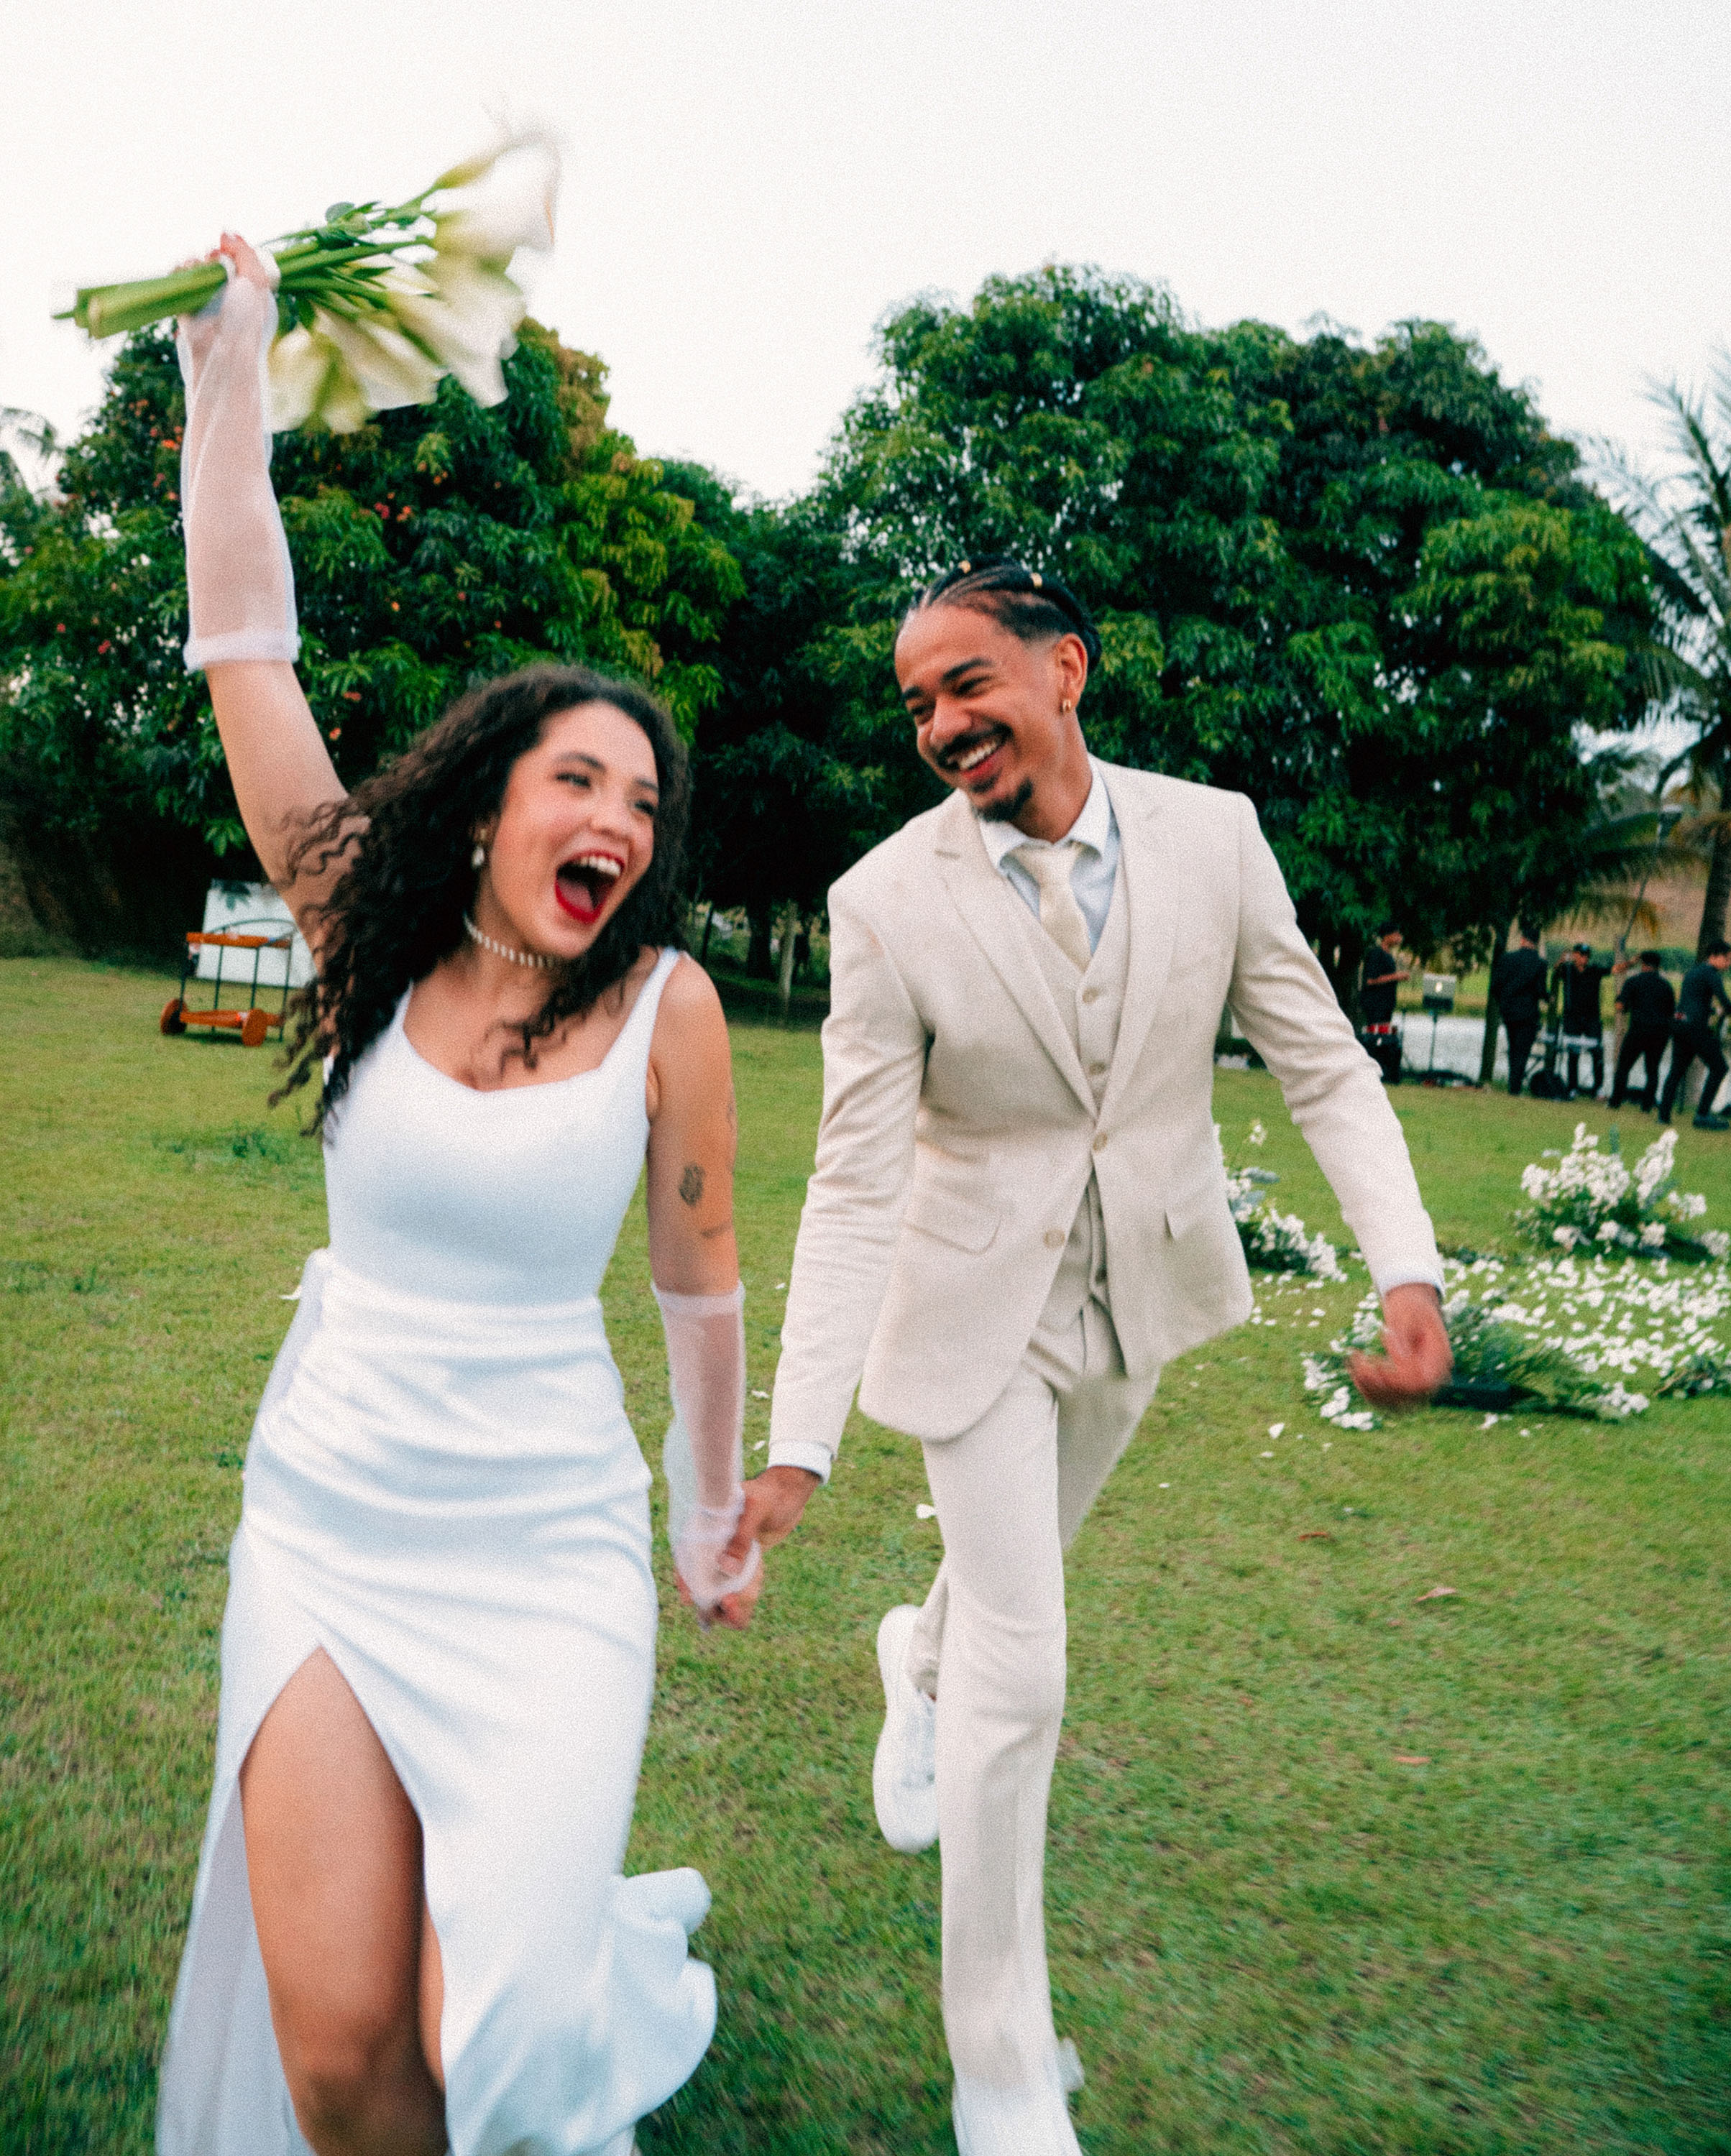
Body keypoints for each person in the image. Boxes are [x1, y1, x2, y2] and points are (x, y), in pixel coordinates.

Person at [156, 237, 763, 2156]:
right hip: (330, 1522)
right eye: (582, 780)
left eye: (646, 804)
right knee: (345, 2056)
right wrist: (231, 373)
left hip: (546, 1550)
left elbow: (699, 1278)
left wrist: (700, 1508)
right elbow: (250, 650)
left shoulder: (670, 1013)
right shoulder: (363, 927)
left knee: (489, 2038)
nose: (619, 821)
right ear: (492, 801)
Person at [736, 557, 1451, 2156]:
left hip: (1140, 1296)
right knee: (1030, 1667)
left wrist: (1402, 1261)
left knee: (1002, 1604)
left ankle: (911, 1663)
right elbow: (853, 1178)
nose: (938, 724)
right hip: (966, 1318)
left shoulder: (1217, 836)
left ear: (1066, 669)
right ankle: (998, 2067)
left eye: (964, 685)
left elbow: (1319, 1061)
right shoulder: (881, 901)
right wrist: (797, 1438)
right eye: (916, 702)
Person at [1658, 940, 1731, 1129]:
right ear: (1714, 956)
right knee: (1720, 1067)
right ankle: (1703, 1115)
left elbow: (1694, 1000)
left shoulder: (1694, 972)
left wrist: (1713, 1012)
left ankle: (1663, 1115)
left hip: (1680, 1023)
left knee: (1677, 1069)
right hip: (1696, 1027)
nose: (1728, 963)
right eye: (1727, 959)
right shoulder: (1711, 974)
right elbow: (1724, 1000)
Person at [1608, 952, 1676, 1111]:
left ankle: (1615, 1101)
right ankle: (1646, 1105)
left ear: (1643, 965)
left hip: (1638, 1031)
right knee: (1652, 1070)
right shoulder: (1666, 986)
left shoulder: (1633, 982)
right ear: (1658, 966)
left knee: (1624, 1066)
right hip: (1660, 1033)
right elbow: (1672, 1013)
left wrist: (1618, 998)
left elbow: (1620, 1007)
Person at [1489, 929, 1548, 1095]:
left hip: (1509, 1012)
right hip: (1528, 1013)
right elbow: (1540, 990)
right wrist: (1547, 997)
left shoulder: (1507, 959)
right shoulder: (1540, 964)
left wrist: (1503, 1002)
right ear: (1536, 943)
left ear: (1523, 940)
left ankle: (1513, 1084)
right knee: (1522, 1051)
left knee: (1513, 1047)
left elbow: (1495, 986)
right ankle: (1515, 1087)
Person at [1551, 941, 1612, 1097]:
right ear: (1575, 955)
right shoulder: (1568, 970)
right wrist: (1562, 960)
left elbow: (1614, 970)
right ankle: (1572, 1087)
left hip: (1592, 1017)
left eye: (1587, 956)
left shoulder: (1594, 970)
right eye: (1581, 955)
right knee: (1573, 1053)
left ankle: (1598, 1087)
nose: (1584, 958)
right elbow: (1555, 972)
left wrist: (1630, 963)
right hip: (1572, 1017)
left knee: (1597, 1052)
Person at [1358, 924, 1408, 1084]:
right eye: (1396, 934)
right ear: (1387, 936)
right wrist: (1396, 977)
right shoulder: (1375, 954)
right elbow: (1371, 980)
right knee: (1375, 1036)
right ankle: (1369, 1069)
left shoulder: (1388, 955)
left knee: (1385, 1036)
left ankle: (1384, 1071)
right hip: (1375, 1003)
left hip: (1386, 1003)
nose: (1399, 937)